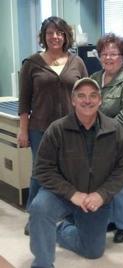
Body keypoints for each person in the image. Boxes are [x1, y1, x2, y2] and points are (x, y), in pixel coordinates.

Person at [28, 77, 123, 268]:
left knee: (92, 251)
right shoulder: (57, 129)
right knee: (39, 208)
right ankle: (42, 263)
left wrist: (102, 194)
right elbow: (42, 169)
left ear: (100, 100)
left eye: (93, 95)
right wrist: (72, 194)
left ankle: (62, 230)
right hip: (61, 194)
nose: (87, 100)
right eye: (81, 96)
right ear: (73, 100)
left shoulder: (115, 130)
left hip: (95, 198)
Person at [18, 16, 88, 235]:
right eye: (50, 33)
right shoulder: (32, 63)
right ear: (43, 36)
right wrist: (23, 129)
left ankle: (68, 215)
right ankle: (35, 217)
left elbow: (87, 94)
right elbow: (24, 99)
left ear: (65, 36)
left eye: (59, 33)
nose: (55, 37)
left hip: (72, 129)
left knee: (70, 173)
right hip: (40, 129)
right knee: (40, 173)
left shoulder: (77, 62)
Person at [91, 33, 123, 243]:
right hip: (99, 147)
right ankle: (110, 219)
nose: (108, 58)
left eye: (114, 54)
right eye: (104, 54)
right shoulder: (93, 78)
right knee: (105, 185)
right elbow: (85, 109)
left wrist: (99, 131)